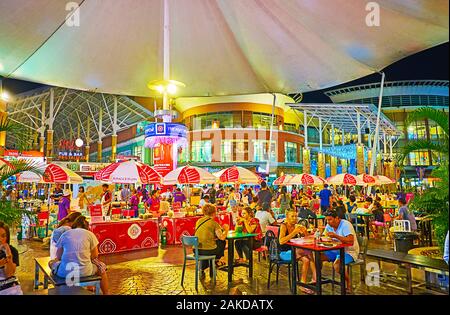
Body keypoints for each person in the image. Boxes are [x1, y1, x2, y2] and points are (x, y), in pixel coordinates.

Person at [49, 216, 109, 294]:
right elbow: (95, 256)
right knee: (101, 268)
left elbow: (59, 256)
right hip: (86, 271)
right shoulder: (90, 234)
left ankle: (58, 287)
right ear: (87, 227)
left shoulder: (65, 234)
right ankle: (106, 293)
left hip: (64, 272)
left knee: (51, 262)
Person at [279, 211, 316, 293]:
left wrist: (305, 232)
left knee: (306, 260)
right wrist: (294, 232)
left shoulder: (296, 226)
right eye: (292, 216)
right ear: (287, 217)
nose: (295, 218)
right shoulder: (283, 226)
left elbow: (307, 238)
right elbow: (281, 241)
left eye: (296, 216)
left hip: (294, 251)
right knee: (309, 252)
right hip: (283, 253)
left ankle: (302, 283)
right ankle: (315, 276)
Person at [321, 210, 359, 291]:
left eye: (330, 219)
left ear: (337, 218)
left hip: (349, 252)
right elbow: (324, 236)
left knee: (337, 265)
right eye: (327, 220)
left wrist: (336, 236)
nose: (328, 222)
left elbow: (350, 241)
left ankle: (348, 282)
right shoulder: (329, 225)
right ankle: (316, 279)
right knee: (317, 257)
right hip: (335, 250)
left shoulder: (346, 225)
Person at [194, 204, 229, 279]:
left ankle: (203, 267)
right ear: (214, 213)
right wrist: (226, 230)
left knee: (208, 247)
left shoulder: (199, 221)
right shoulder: (214, 223)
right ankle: (216, 261)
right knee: (221, 242)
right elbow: (222, 237)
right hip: (208, 251)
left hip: (196, 250)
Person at [0, 221, 23, 295]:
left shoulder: (13, 251)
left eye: (3, 236)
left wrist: (8, 253)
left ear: (7, 237)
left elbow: (9, 274)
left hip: (9, 288)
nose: (0, 239)